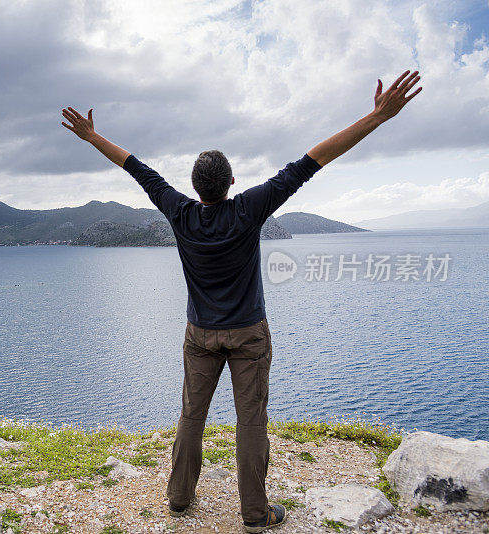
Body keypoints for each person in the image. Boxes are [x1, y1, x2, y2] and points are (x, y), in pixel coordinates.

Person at [61, 69, 421, 532]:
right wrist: (377, 117)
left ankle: (179, 497)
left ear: (195, 188)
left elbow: (135, 167)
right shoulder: (249, 208)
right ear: (231, 183)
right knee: (251, 419)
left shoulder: (179, 211)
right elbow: (314, 160)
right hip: (248, 333)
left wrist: (92, 137)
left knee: (192, 413)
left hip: (199, 335)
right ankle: (255, 514)